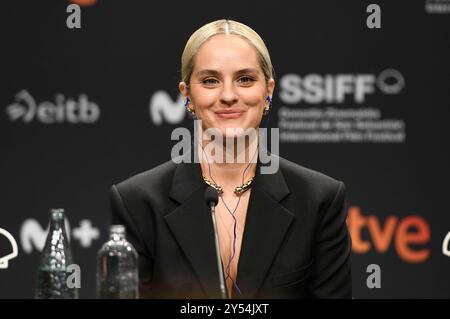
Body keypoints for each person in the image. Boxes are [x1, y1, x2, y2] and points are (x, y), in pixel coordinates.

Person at [110, 19, 352, 299]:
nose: (228, 95)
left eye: (245, 79)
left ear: (268, 92)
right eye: (210, 81)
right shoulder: (136, 202)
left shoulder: (319, 199)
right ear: (187, 95)